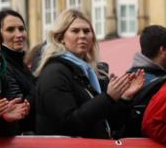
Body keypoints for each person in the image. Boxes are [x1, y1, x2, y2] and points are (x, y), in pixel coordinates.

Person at [34, 9, 144, 138]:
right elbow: (69, 123)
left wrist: (124, 98)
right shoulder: (54, 72)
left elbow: (110, 123)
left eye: (87, 31)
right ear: (60, 38)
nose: (82, 36)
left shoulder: (94, 73)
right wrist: (108, 98)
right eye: (75, 31)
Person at [0, 9, 37, 132]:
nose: (19, 35)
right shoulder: (1, 64)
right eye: (10, 30)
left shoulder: (19, 62)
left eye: (21, 29)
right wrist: (43, 84)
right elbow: (20, 106)